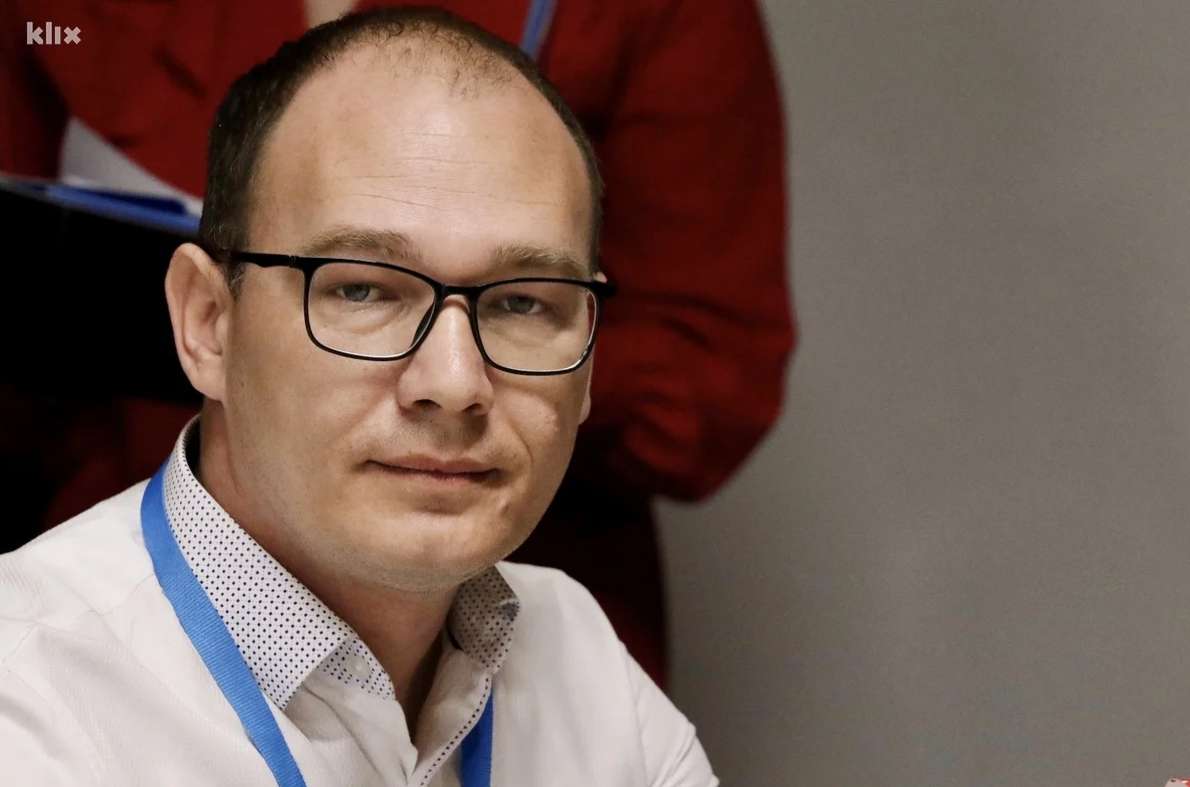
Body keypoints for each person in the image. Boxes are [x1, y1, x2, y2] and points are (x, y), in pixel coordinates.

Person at [0, 9, 717, 785]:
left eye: (523, 302)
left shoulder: (587, 668)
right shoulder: (30, 704)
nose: (453, 383)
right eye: (363, 290)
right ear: (208, 323)